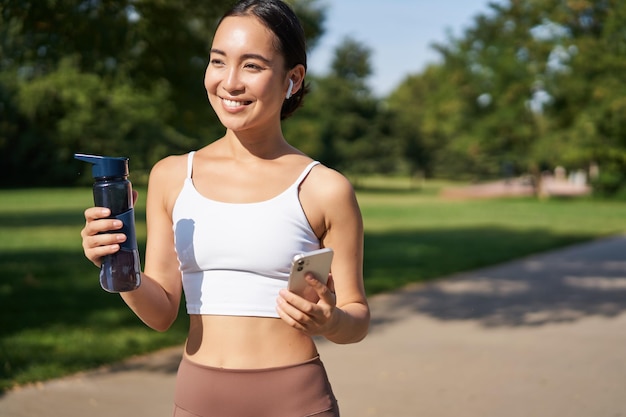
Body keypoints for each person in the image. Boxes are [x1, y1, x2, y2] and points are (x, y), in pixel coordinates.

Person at [80, 0, 369, 416]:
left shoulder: (324, 188)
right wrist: (117, 264)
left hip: (295, 401)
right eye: (218, 61)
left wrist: (332, 321)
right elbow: (161, 311)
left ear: (293, 78)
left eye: (252, 66)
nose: (230, 82)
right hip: (198, 399)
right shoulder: (172, 176)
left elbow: (356, 315)